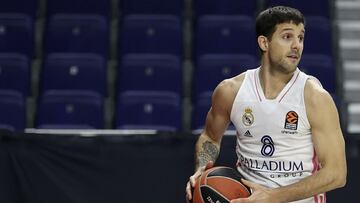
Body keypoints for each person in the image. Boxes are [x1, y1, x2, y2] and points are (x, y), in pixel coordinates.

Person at [185, 6, 347, 203]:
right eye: (287, 37)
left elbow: (336, 174)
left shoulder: (315, 97)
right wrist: (201, 169)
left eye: (301, 37)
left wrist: (273, 197)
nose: (297, 45)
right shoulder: (231, 91)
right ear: (264, 42)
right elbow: (210, 137)